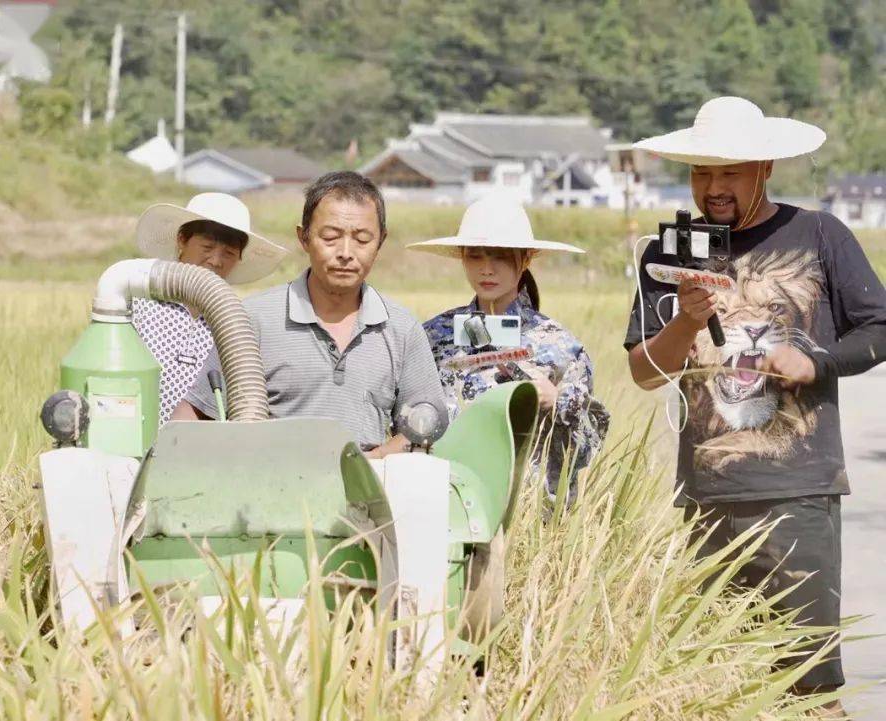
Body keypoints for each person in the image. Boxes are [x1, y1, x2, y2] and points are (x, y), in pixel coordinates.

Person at [625, 96, 886, 716]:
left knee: (809, 685)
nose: (713, 187)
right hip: (705, 498)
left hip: (796, 491)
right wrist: (685, 324)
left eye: (729, 172)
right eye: (701, 173)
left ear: (764, 166)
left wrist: (816, 360)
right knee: (716, 684)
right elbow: (642, 371)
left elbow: (880, 326)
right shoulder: (666, 254)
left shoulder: (819, 234)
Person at [173, 171, 447, 459]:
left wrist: (369, 463)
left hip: (369, 490)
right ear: (303, 238)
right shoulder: (251, 321)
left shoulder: (402, 329)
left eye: (362, 240)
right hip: (270, 487)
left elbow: (424, 424)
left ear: (380, 241)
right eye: (330, 237)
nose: (345, 252)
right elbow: (194, 414)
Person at [409, 194, 609, 502]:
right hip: (450, 504)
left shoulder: (559, 346)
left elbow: (586, 448)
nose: (487, 269)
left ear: (526, 258)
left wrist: (557, 401)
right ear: (462, 257)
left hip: (530, 514)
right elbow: (409, 423)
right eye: (475, 256)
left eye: (500, 256)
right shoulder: (434, 337)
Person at [132, 192, 287, 425]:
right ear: (182, 240)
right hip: (134, 443)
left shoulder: (237, 322)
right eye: (207, 247)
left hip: (201, 451)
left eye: (229, 253)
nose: (216, 260)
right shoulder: (139, 304)